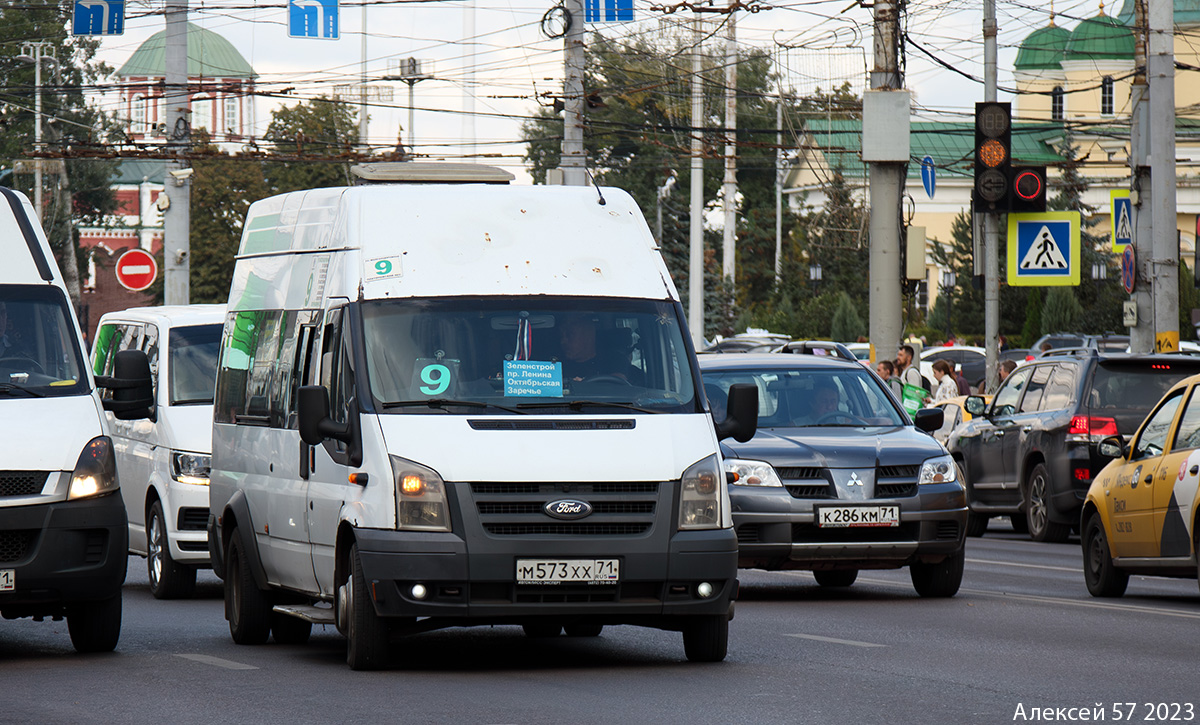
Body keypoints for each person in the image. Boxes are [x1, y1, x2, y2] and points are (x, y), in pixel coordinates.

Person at [558, 315, 639, 383]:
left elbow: (617, 387)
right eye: (561, 336)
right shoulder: (555, 364)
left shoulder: (614, 360)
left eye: (570, 335)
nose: (563, 341)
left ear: (588, 335)